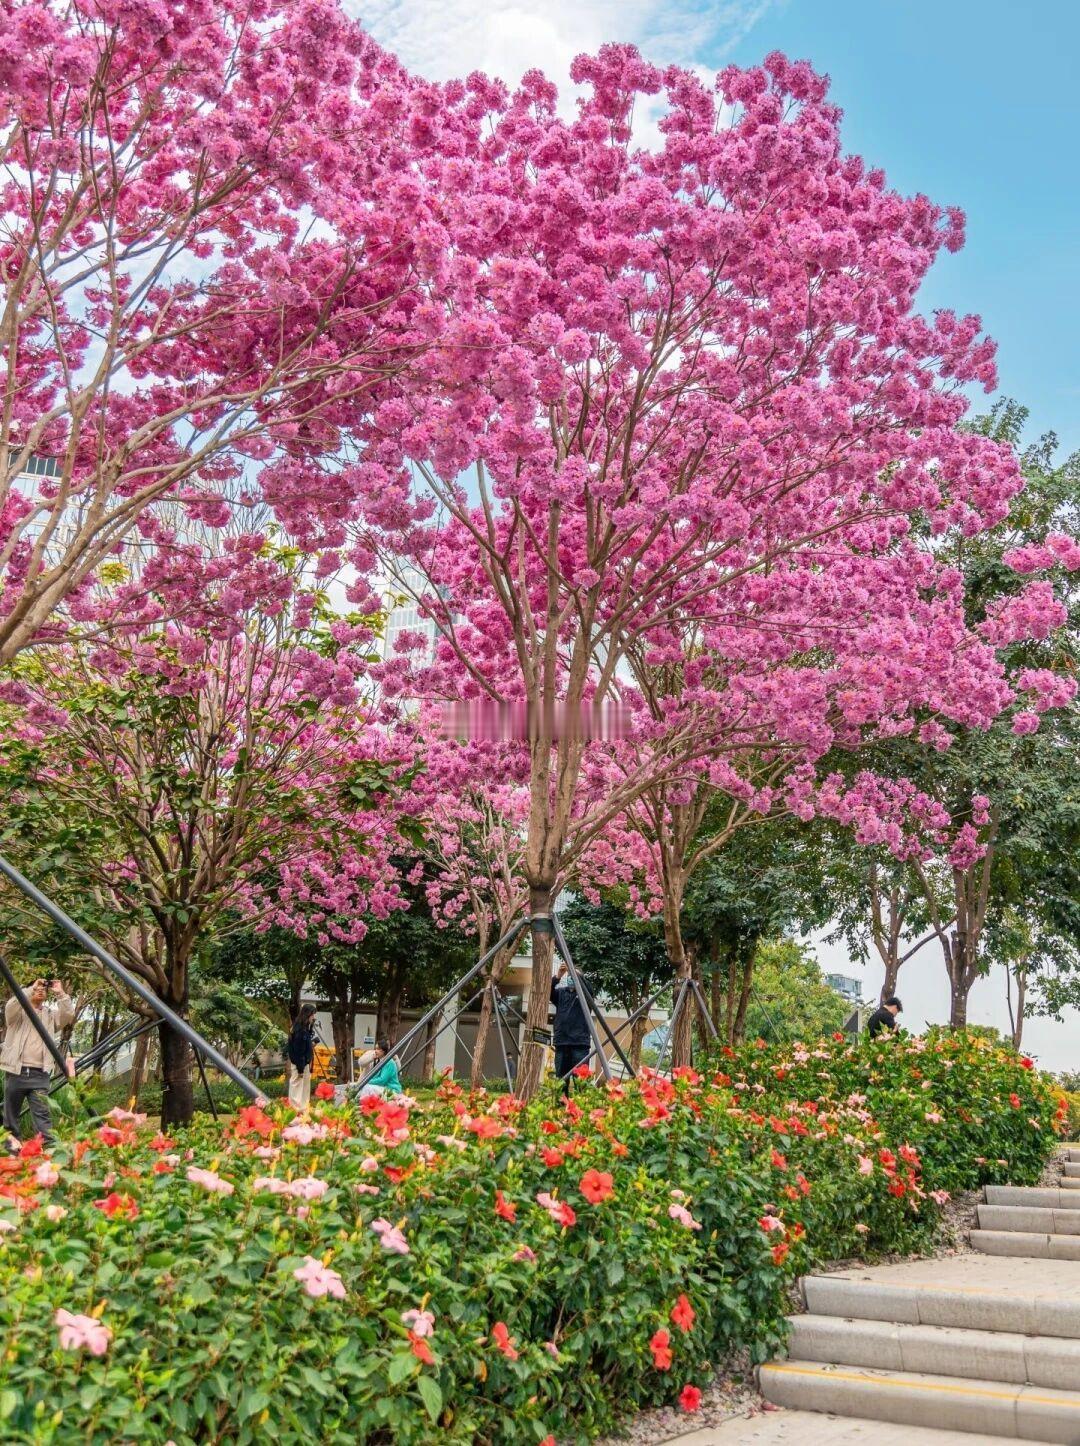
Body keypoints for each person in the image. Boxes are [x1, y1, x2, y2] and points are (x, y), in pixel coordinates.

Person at [2, 977, 75, 1147]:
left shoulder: (49, 1015)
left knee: (42, 1115)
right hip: (16, 1071)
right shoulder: (17, 1013)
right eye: (37, 988)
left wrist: (61, 994)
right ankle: (13, 1154)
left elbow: (68, 1015)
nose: (41, 990)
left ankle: (50, 1150)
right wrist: (30, 989)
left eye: (44, 988)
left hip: (39, 1073)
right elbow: (10, 1006)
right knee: (10, 1117)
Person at [550, 963, 592, 1091]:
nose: (571, 978)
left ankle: (581, 1107)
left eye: (574, 975)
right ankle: (561, 1108)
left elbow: (589, 989)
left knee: (581, 1081)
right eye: (570, 975)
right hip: (562, 1043)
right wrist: (558, 976)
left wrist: (578, 975)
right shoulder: (561, 993)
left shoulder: (586, 995)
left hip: (579, 1044)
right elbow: (548, 992)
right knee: (561, 1080)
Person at [286, 1004, 317, 1111]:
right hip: (300, 1064)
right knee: (298, 1088)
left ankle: (303, 1110)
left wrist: (311, 1027)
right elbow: (298, 1051)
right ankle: (295, 1111)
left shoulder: (302, 1028)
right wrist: (300, 1068)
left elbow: (303, 1045)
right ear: (308, 1014)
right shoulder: (299, 1030)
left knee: (304, 1089)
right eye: (313, 1015)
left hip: (304, 1063)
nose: (314, 1017)